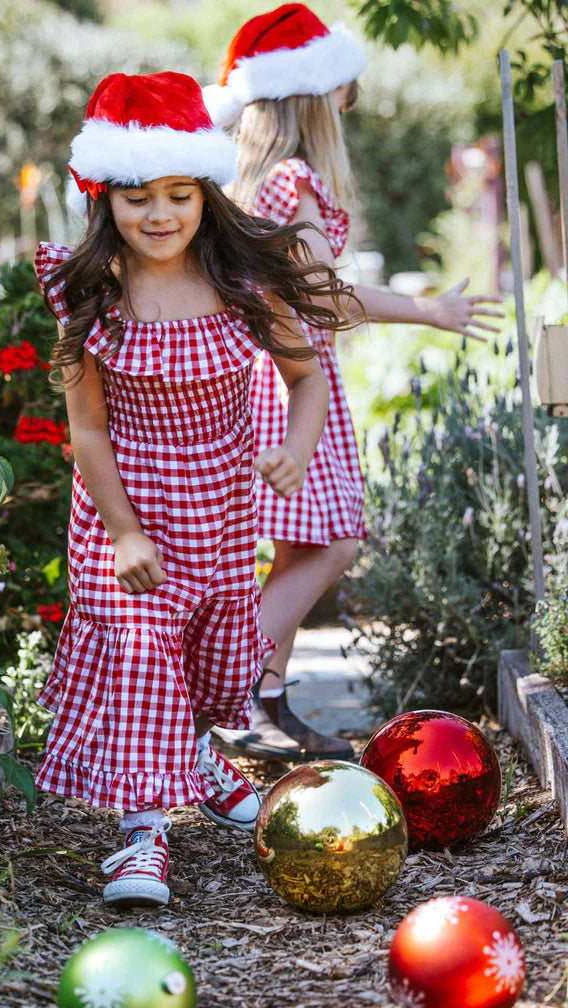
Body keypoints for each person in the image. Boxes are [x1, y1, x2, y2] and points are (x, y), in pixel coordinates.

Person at [34, 70, 354, 907]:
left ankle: (200, 758)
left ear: (208, 194)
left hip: (217, 515)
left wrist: (293, 446)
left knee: (214, 672)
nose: (159, 214)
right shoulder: (91, 298)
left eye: (179, 193)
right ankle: (143, 839)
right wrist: (126, 533)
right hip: (125, 519)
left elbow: (307, 377)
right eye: (137, 197)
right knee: (143, 660)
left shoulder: (241, 285)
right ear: (106, 200)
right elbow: (89, 432)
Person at [203, 4, 503, 761]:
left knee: (305, 548)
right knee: (334, 541)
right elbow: (321, 296)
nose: (351, 104)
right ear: (314, 96)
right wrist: (429, 309)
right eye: (345, 89)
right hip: (291, 379)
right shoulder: (292, 179)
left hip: (280, 372)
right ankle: (236, 692)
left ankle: (267, 698)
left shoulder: (264, 178)